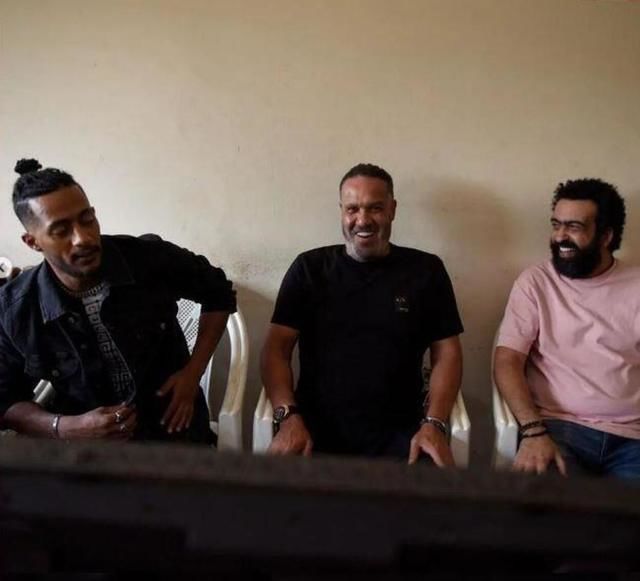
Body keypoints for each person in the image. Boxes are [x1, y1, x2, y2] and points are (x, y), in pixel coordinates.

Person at [0, 159, 236, 444]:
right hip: (89, 450)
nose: (83, 238)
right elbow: (5, 399)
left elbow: (218, 293)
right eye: (61, 230)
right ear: (32, 242)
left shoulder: (147, 258)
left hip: (175, 430)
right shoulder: (15, 309)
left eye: (87, 219)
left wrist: (192, 374)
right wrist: (64, 427)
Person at [261, 163, 463, 465]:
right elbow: (276, 350)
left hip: (404, 434)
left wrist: (434, 423)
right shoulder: (309, 269)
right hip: (314, 432)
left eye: (375, 208)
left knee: (434, 491)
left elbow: (447, 353)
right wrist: (287, 416)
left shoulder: (426, 271)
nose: (363, 220)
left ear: (392, 210)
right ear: (341, 211)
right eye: (352, 209)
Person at [494, 178, 640, 479]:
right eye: (556, 225)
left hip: (633, 439)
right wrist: (533, 431)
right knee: (554, 505)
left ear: (606, 236)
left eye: (574, 227)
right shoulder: (536, 283)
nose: (560, 236)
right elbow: (507, 361)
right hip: (558, 431)